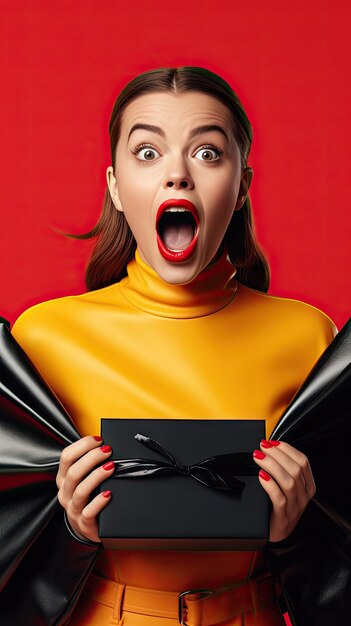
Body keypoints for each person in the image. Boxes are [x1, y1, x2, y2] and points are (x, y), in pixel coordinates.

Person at [11, 67, 336, 626]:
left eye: (208, 153)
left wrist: (292, 533)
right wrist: (69, 528)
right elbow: (13, 562)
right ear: (115, 186)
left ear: (241, 189)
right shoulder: (41, 340)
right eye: (148, 153)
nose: (178, 175)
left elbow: (336, 558)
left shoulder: (309, 338)